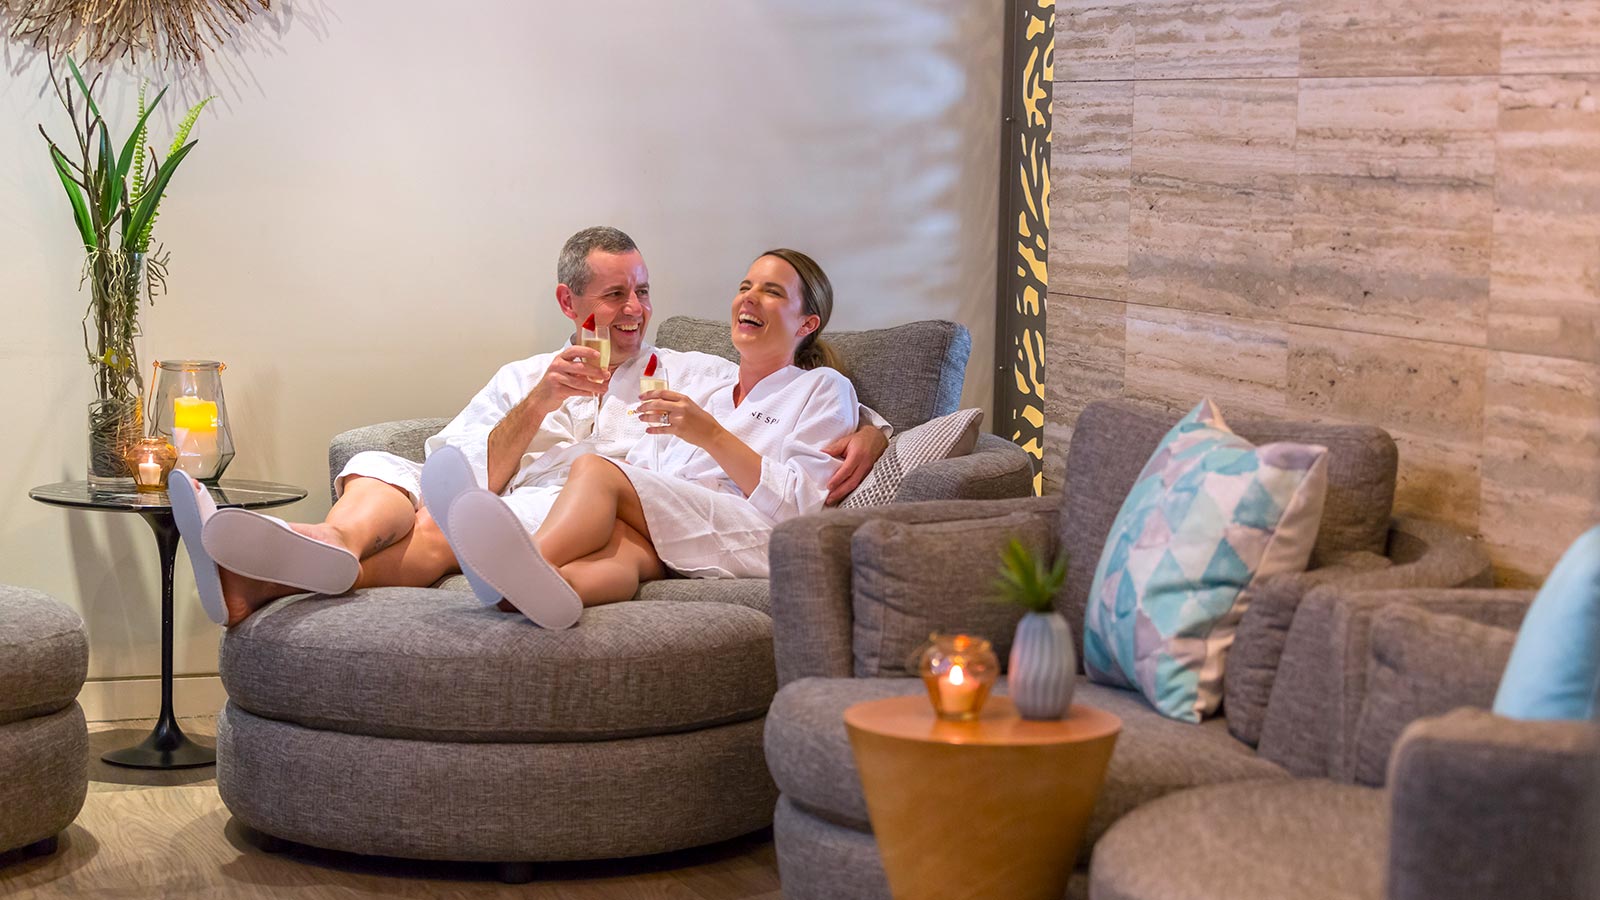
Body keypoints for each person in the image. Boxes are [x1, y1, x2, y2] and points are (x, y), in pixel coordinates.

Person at [169, 227, 889, 627]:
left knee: (440, 526)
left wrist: (875, 429)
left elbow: (783, 400)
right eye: (615, 294)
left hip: (582, 513)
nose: (635, 310)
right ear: (569, 304)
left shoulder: (686, 372)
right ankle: (326, 545)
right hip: (507, 502)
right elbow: (460, 469)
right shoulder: (524, 377)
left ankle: (271, 571)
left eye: (642, 292)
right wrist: (542, 400)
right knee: (383, 471)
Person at [435, 248, 856, 628]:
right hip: (685, 526)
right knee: (622, 547)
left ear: (807, 323)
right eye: (745, 287)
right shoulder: (710, 390)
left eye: (772, 292)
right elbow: (650, 465)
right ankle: (536, 593)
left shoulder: (821, 388)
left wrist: (709, 435)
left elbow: (803, 506)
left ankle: (523, 563)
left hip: (756, 532)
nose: (749, 298)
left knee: (595, 470)